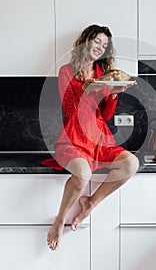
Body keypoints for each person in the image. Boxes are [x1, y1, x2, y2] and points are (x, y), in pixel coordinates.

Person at [41, 24, 139, 251]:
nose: (100, 48)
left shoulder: (104, 75)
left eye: (104, 45)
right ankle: (59, 221)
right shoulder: (67, 71)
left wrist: (113, 94)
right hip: (73, 138)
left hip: (99, 139)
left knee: (131, 163)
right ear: (86, 42)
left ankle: (90, 203)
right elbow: (69, 108)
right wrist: (92, 89)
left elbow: (104, 115)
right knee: (82, 174)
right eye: (97, 42)